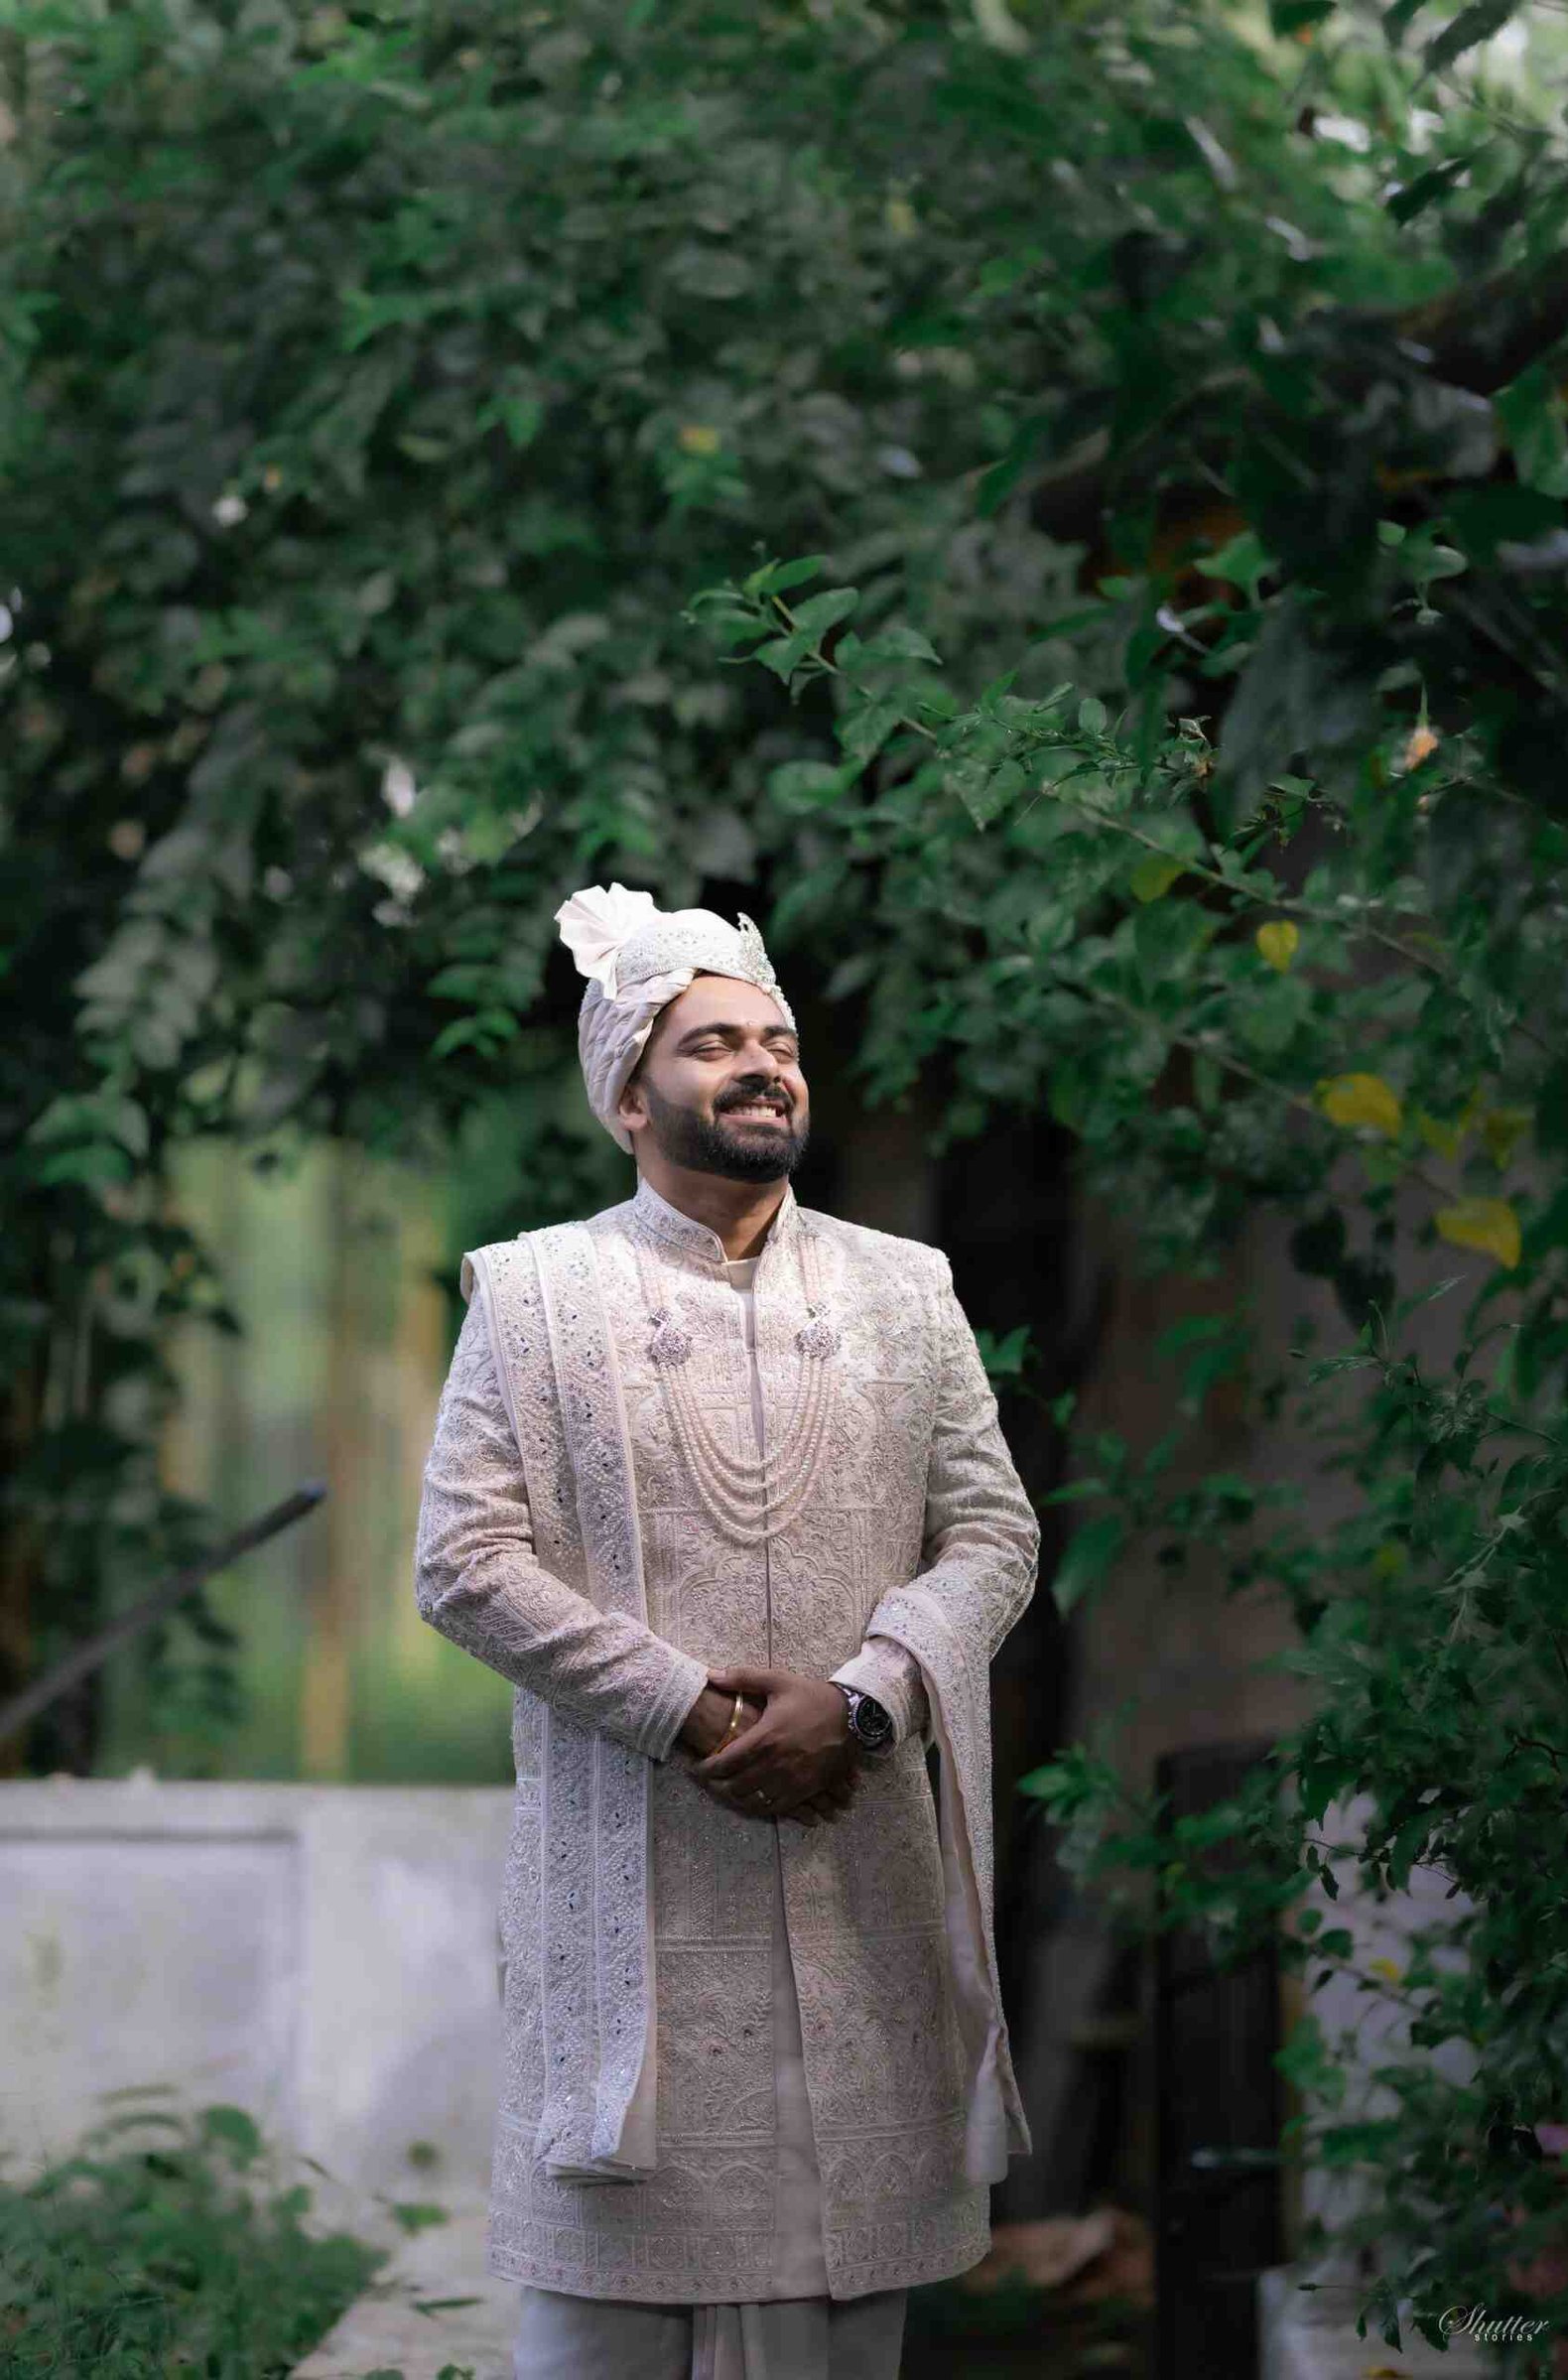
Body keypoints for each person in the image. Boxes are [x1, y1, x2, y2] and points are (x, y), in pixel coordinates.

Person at [413, 882, 1040, 2380]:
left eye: (779, 1042)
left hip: (859, 1879)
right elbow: (464, 1560)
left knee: (846, 2316)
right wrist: (690, 1708)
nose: (764, 1066)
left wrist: (866, 1699)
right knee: (599, 2330)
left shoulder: (908, 1291)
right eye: (713, 1045)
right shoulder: (536, 1294)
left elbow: (994, 1533)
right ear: (630, 1095)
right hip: (633, 1893)